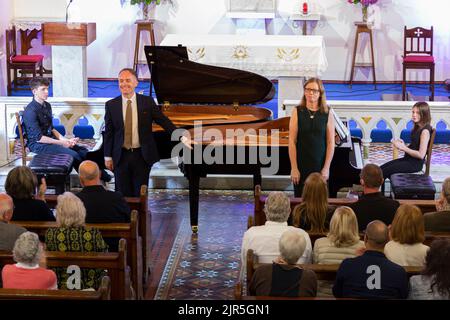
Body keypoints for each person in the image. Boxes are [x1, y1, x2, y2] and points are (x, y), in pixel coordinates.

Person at [104, 68, 190, 197]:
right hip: (120, 156)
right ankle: (125, 217)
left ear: (136, 83)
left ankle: (140, 217)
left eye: (128, 80)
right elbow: (109, 132)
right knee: (121, 192)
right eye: (121, 81)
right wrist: (107, 156)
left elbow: (163, 121)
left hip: (141, 156)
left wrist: (182, 136)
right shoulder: (111, 105)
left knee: (140, 192)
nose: (124, 84)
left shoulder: (147, 102)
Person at [22, 77, 89, 176]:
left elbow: (52, 129)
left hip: (50, 141)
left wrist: (66, 140)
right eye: (43, 89)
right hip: (38, 145)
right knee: (73, 155)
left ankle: (100, 176)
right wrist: (62, 143)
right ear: (34, 91)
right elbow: (39, 138)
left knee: (82, 151)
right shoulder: (30, 111)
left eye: (47, 89)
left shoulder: (47, 105)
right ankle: (88, 180)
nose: (47, 92)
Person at [241, 191, 312, 279]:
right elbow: (308, 266)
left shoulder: (251, 234)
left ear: (265, 211)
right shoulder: (302, 235)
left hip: (261, 288)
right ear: (289, 211)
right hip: (297, 287)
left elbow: (245, 269)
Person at [45, 192, 108, 290]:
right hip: (90, 289)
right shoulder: (93, 233)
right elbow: (105, 257)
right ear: (82, 211)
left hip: (61, 290)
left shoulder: (51, 234)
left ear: (59, 213)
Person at [332, 220, 409, 299]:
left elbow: (337, 293)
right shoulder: (398, 272)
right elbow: (404, 296)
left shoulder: (347, 265)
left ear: (365, 238)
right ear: (388, 240)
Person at [289, 78, 335, 197]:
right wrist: (294, 168)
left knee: (319, 201)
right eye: (308, 89)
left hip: (320, 165)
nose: (311, 93)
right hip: (301, 165)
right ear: (304, 91)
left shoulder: (327, 112)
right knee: (301, 200)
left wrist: (326, 168)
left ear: (320, 93)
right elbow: (292, 141)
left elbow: (330, 142)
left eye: (314, 90)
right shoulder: (297, 111)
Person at [76, 160, 130, 250]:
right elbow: (127, 220)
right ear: (100, 174)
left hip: (84, 249)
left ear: (80, 179)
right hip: (113, 248)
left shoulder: (74, 201)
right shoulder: (116, 198)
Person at [249, 229, 317, 297]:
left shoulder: (262, 271)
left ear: (280, 248)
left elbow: (251, 293)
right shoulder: (309, 277)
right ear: (301, 253)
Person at [313, 206, 364, 296]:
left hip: (323, 295)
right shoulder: (362, 247)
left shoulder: (319, 243)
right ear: (354, 224)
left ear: (333, 223)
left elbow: (314, 269)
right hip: (349, 295)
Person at [380, 101, 432, 182]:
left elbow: (421, 155)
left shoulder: (425, 131)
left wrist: (403, 148)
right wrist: (403, 145)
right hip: (408, 160)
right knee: (380, 169)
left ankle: (374, 191)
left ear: (424, 114)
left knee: (383, 172)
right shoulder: (418, 127)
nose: (414, 115)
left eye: (417, 113)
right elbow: (415, 147)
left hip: (414, 164)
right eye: (413, 112)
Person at [349, 164, 399, 231]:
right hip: (386, 241)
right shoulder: (394, 206)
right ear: (382, 181)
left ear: (362, 182)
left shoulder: (353, 209)